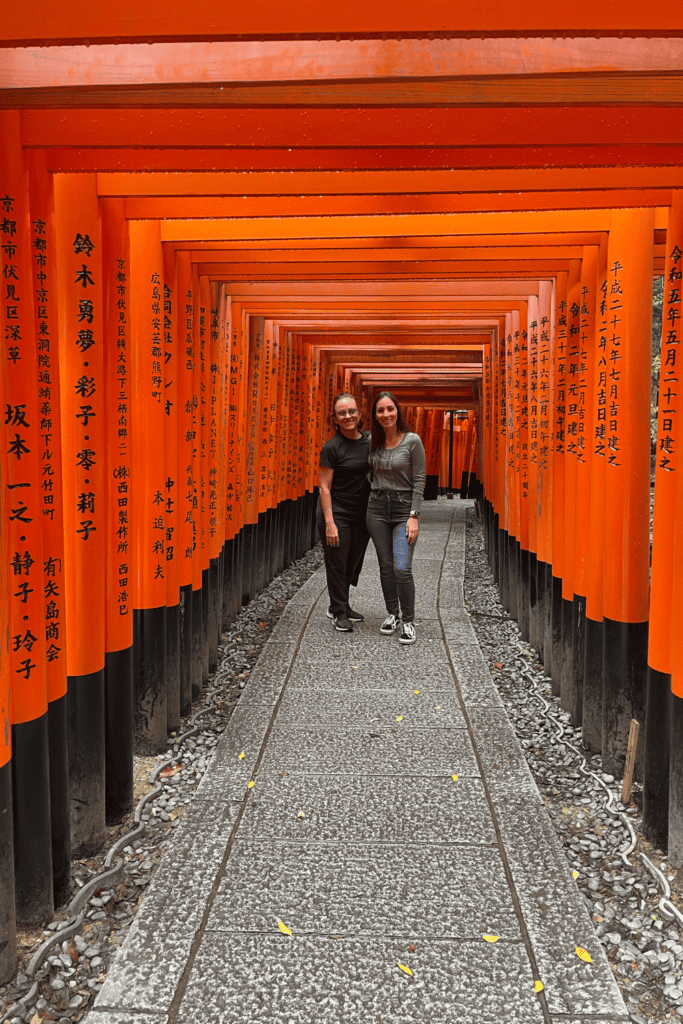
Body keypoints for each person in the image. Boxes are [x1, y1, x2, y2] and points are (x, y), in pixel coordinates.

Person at [366, 390, 426, 645]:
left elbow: (420, 479)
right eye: (380, 410)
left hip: (403, 511)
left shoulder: (412, 440)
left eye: (390, 408)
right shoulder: (372, 442)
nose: (386, 414)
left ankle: (409, 620)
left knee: (401, 567)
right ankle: (393, 614)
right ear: (375, 415)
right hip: (377, 509)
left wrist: (414, 516)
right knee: (385, 566)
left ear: (397, 411)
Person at [317, 392, 371, 632]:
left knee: (353, 562)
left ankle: (342, 604)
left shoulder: (371, 441)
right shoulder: (332, 447)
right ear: (335, 418)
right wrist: (330, 522)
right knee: (337, 562)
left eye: (352, 411)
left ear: (359, 414)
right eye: (342, 413)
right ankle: (338, 611)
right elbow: (324, 486)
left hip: (363, 513)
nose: (348, 416)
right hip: (337, 511)